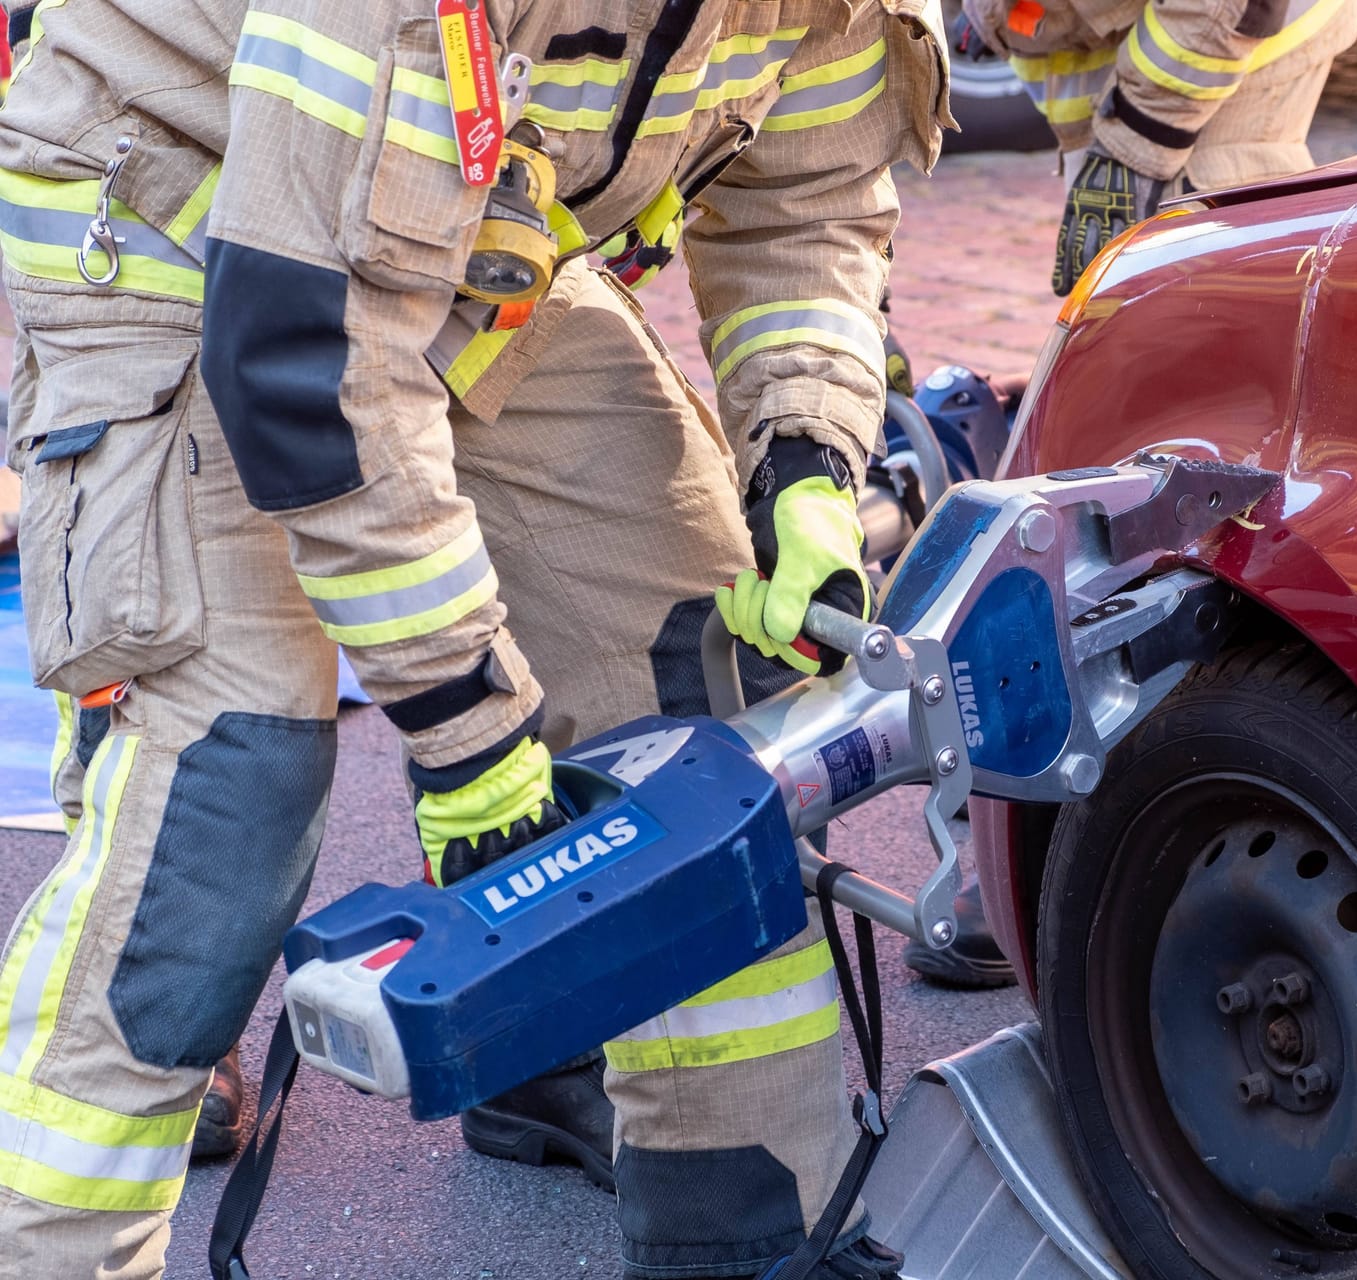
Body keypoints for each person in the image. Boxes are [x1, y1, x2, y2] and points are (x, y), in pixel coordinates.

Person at [0, 0, 947, 1275]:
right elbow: (310, 350)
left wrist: (808, 462)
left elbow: (808, 205)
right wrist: (467, 727)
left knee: (703, 716)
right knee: (228, 789)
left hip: (455, 231)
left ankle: (743, 1227)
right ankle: (49, 1246)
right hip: (183, 217)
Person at [962, 0, 1357, 294]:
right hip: (1136, 76)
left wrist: (1136, 141)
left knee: (1186, 299)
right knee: (1122, 311)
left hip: (1214, 62)